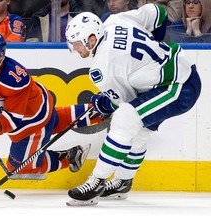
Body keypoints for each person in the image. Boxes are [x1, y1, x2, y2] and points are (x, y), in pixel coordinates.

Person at [65, 3, 201, 206]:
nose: (74, 49)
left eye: (76, 44)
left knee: (125, 119)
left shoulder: (103, 68)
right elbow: (158, 12)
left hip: (178, 86)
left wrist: (104, 103)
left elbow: (124, 103)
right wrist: (153, 50)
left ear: (92, 40)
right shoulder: (114, 21)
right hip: (180, 68)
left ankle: (96, 181)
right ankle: (122, 182)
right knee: (140, 129)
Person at [0, 32, 105, 177]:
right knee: (55, 121)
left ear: (0, 55)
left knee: (19, 169)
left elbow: (13, 119)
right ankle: (102, 109)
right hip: (38, 106)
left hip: (32, 120)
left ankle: (71, 156)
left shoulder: (14, 78)